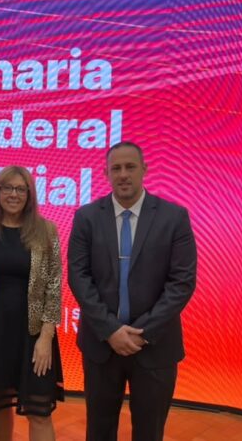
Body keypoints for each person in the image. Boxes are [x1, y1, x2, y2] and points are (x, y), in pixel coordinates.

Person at [67, 142, 197, 441]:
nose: (123, 174)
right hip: (101, 345)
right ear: (106, 174)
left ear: (144, 170)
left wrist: (142, 332)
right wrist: (111, 330)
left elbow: (181, 282)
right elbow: (79, 277)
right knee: (99, 432)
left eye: (130, 167)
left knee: (150, 432)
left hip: (155, 346)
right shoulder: (86, 217)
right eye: (116, 168)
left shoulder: (174, 217)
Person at [0, 166, 64, 441]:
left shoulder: (46, 231)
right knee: (0, 404)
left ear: (29, 194)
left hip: (34, 335)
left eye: (20, 189)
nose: (13, 194)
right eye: (7, 188)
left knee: (39, 412)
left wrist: (46, 337)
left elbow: (54, 285)